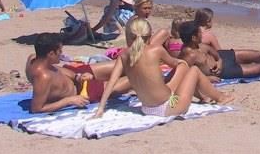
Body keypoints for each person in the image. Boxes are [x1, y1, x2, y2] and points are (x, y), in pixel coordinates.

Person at [94, 18, 234, 118]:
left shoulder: (123, 56)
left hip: (147, 109)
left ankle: (204, 95)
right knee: (193, 70)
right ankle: (220, 97)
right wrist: (182, 63)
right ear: (149, 35)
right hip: (169, 105)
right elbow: (176, 63)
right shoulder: (156, 50)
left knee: (182, 70)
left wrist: (101, 108)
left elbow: (111, 82)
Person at [25, 33, 132, 113]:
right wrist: (68, 101)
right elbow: (37, 108)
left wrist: (77, 77)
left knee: (124, 63)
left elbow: (56, 69)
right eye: (59, 51)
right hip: (83, 91)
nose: (61, 54)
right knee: (133, 77)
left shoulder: (33, 59)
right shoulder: (43, 77)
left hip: (75, 74)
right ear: (51, 54)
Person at [179, 20, 260, 80]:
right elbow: (184, 75)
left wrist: (219, 61)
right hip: (224, 71)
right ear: (193, 37)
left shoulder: (200, 45)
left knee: (258, 54)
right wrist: (209, 79)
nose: (202, 34)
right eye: (199, 33)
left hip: (223, 57)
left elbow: (214, 53)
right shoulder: (188, 56)